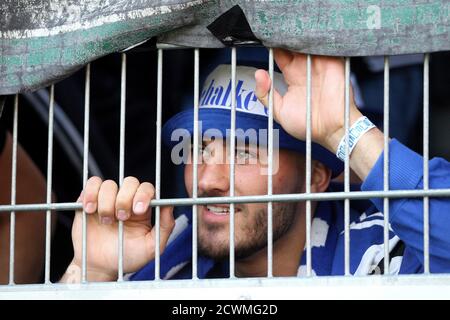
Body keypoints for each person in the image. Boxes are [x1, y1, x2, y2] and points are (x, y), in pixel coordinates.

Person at [60, 48, 450, 283]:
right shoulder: (163, 258)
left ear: (315, 177)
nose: (208, 180)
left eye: (246, 152)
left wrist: (342, 129)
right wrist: (92, 274)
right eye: (198, 147)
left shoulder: (378, 254)